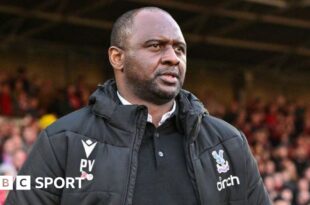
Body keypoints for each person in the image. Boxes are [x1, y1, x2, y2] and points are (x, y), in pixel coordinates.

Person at [6, 7, 271, 205]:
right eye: (156, 46)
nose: (172, 58)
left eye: (180, 50)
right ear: (117, 57)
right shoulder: (63, 141)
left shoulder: (228, 143)